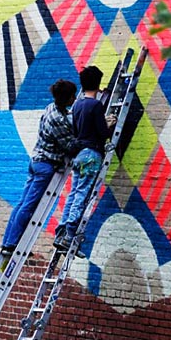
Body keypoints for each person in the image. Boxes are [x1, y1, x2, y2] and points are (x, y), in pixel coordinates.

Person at [0, 79, 79, 256]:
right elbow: (70, 146)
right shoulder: (57, 118)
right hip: (45, 166)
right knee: (29, 206)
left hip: (36, 161)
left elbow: (66, 120)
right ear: (66, 98)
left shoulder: (51, 108)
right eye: (72, 96)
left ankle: (8, 242)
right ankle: (12, 244)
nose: (74, 99)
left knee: (22, 203)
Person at [54, 65, 116, 253]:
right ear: (98, 84)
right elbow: (102, 133)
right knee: (82, 195)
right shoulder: (95, 105)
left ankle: (61, 231)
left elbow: (76, 130)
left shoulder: (76, 105)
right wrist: (110, 124)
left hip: (79, 155)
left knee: (74, 193)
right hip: (92, 155)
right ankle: (70, 235)